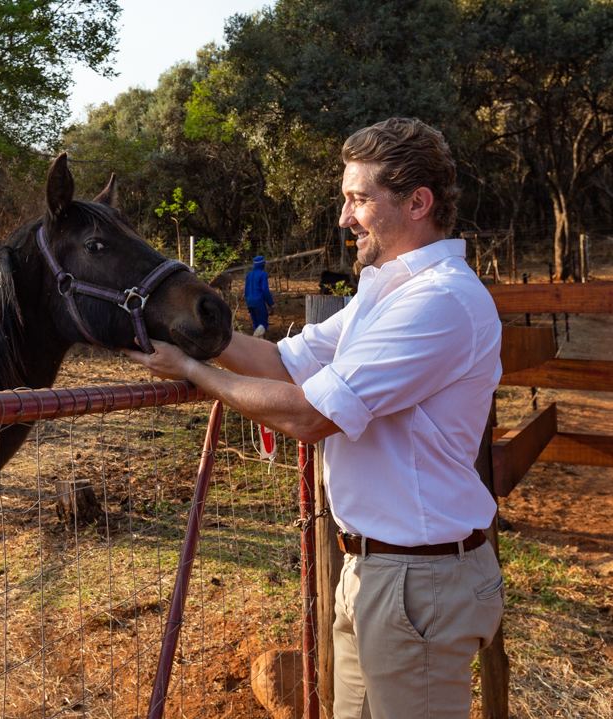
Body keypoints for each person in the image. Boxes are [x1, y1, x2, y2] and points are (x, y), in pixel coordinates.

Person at [125, 117, 504, 719]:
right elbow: (280, 362)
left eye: (358, 199)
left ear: (417, 202)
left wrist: (196, 374)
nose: (343, 217)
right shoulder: (383, 297)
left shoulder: (441, 303)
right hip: (373, 571)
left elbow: (309, 415)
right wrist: (188, 325)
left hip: (420, 579)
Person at [244, 255, 274, 337]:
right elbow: (265, 290)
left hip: (249, 302)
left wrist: (247, 302)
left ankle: (258, 343)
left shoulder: (248, 275)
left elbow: (246, 290)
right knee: (263, 324)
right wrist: (270, 304)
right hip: (259, 302)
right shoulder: (263, 274)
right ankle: (255, 338)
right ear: (263, 265)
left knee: (256, 324)